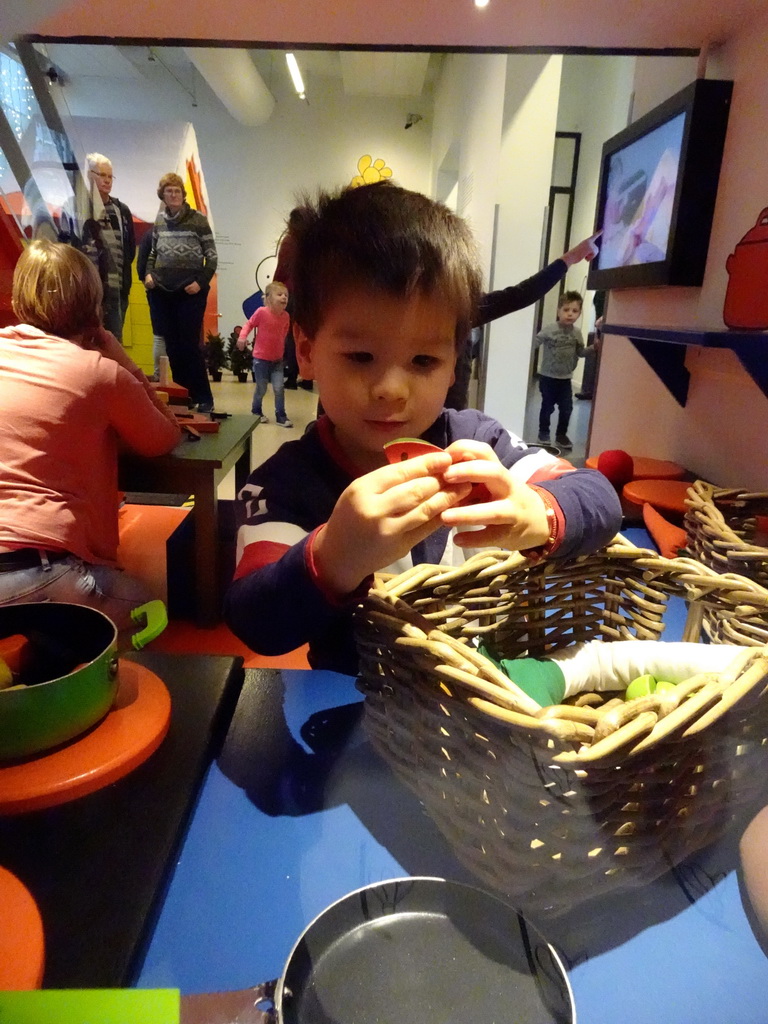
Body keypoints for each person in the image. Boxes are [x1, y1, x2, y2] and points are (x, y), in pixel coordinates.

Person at [224, 183, 622, 676]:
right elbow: (255, 620)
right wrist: (332, 557)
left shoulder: (478, 443)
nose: (392, 388)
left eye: (423, 360)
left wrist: (535, 511)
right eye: (361, 356)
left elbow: (599, 496)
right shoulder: (284, 482)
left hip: (483, 701)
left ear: (455, 365)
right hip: (355, 705)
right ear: (306, 351)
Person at [0, 239, 181, 633]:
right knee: (155, 605)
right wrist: (121, 358)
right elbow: (163, 437)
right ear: (93, 308)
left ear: (18, 301)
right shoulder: (98, 372)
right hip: (41, 571)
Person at [444, 232, 600, 410]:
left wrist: (571, 257)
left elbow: (522, 294)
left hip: (451, 413)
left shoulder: (464, 306)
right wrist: (571, 257)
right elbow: (521, 294)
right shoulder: (452, 307)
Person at [144, 173, 217, 413]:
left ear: (183, 195)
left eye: (177, 191)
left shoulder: (198, 220)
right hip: (164, 292)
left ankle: (204, 397)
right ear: (162, 195)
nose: (173, 195)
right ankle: (184, 395)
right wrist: (149, 274)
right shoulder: (159, 222)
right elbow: (153, 253)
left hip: (191, 292)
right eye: (169, 191)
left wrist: (201, 282)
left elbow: (212, 257)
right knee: (172, 347)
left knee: (189, 346)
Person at [61, 152, 136, 342]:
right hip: (84, 293)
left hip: (115, 294)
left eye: (110, 176)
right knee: (83, 342)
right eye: (102, 175)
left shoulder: (121, 210)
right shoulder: (73, 206)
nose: (107, 180)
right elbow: (64, 248)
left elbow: (129, 251)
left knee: (112, 343)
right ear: (89, 175)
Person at [534, 290, 586, 450]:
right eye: (566, 310)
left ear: (579, 313)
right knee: (547, 407)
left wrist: (594, 348)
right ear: (559, 311)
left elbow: (580, 352)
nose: (570, 314)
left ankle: (561, 435)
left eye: (574, 311)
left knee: (567, 408)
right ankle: (543, 432)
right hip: (548, 377)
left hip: (565, 379)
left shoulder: (577, 333)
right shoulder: (550, 329)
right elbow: (535, 342)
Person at [237, 280, 293, 427]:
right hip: (261, 359)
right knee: (261, 388)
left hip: (277, 360)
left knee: (279, 387)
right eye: (279, 294)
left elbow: (284, 332)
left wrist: (282, 348)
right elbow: (249, 324)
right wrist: (242, 337)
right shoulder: (261, 313)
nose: (284, 298)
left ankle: (281, 415)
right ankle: (256, 411)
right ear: (268, 299)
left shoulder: (286, 316)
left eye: (286, 295)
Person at [136, 228, 166, 381]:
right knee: (163, 336)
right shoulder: (150, 235)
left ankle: (161, 377)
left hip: (157, 291)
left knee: (160, 336)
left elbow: (141, 269)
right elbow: (141, 269)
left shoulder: (149, 235)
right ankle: (164, 378)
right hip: (163, 292)